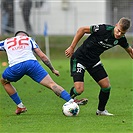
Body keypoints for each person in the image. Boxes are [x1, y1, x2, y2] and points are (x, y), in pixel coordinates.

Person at [65, 17, 133, 116]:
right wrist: (72, 47)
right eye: (118, 31)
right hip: (80, 58)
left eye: (122, 33)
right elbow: (82, 30)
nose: (119, 34)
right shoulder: (103, 29)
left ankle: (101, 111)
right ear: (116, 25)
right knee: (79, 90)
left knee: (106, 87)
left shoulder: (121, 39)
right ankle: (70, 99)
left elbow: (130, 51)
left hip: (93, 61)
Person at [0, 31, 73, 115]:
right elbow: (42, 56)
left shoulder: (6, 41)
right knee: (51, 84)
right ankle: (71, 101)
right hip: (32, 64)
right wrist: (53, 69)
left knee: (4, 81)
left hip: (16, 67)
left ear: (15, 36)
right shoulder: (29, 39)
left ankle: (20, 106)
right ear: (25, 36)